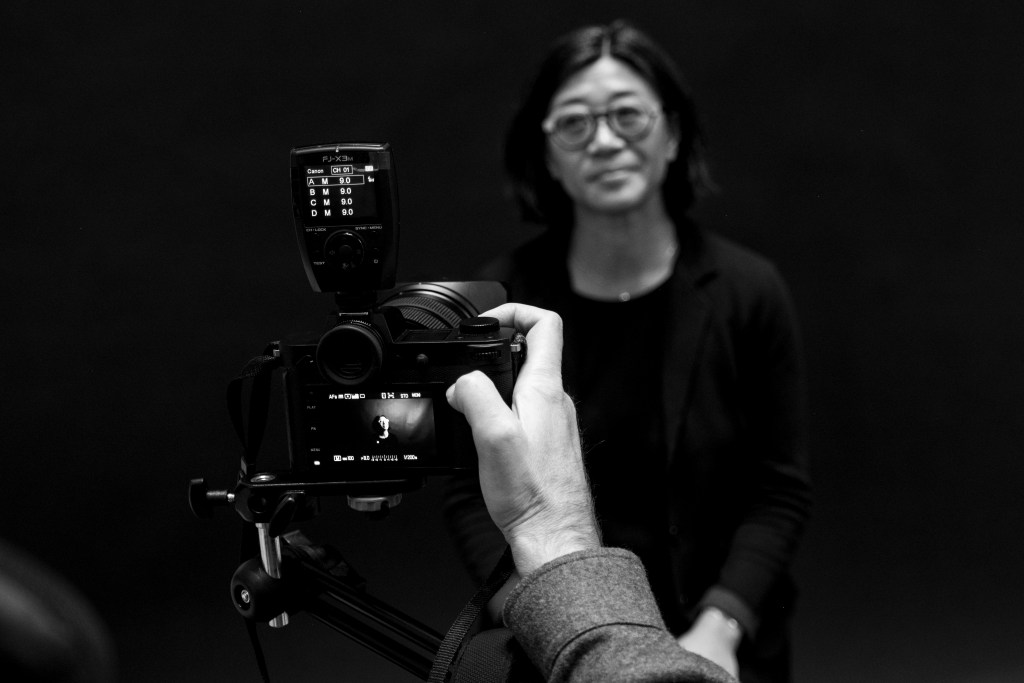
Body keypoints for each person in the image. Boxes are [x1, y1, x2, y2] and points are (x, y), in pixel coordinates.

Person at [443, 21, 812, 682]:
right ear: (547, 154)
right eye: (574, 124)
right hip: (556, 644)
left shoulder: (748, 291)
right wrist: (547, 613)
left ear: (672, 135)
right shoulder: (505, 303)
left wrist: (721, 624)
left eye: (628, 116)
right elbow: (469, 491)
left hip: (721, 648)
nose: (606, 140)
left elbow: (777, 491)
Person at [447, 302, 734, 683]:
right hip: (563, 619)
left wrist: (725, 617)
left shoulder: (740, 295)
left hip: (693, 611)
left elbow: (779, 491)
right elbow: (467, 489)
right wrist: (536, 608)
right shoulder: (507, 294)